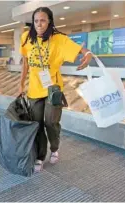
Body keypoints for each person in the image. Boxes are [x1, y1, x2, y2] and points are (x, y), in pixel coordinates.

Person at [19, 7, 92, 172]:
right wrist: (21, 83)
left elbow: (82, 50)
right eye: (36, 21)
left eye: (43, 20)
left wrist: (87, 54)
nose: (39, 24)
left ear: (49, 21)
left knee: (51, 122)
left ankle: (54, 148)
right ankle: (39, 155)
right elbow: (25, 63)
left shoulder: (59, 39)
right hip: (34, 90)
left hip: (53, 89)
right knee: (36, 124)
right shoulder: (26, 38)